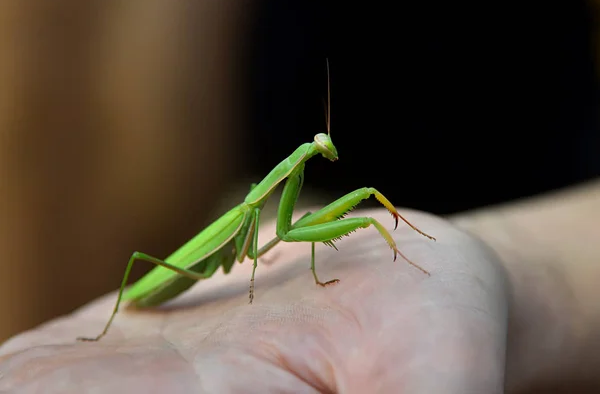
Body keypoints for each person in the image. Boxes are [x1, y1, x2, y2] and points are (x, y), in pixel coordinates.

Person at [1, 178, 598, 393]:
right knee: (139, 258)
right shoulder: (249, 215)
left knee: (361, 204)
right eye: (318, 148)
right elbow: (274, 234)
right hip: (163, 286)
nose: (325, 149)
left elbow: (285, 231)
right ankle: (105, 325)